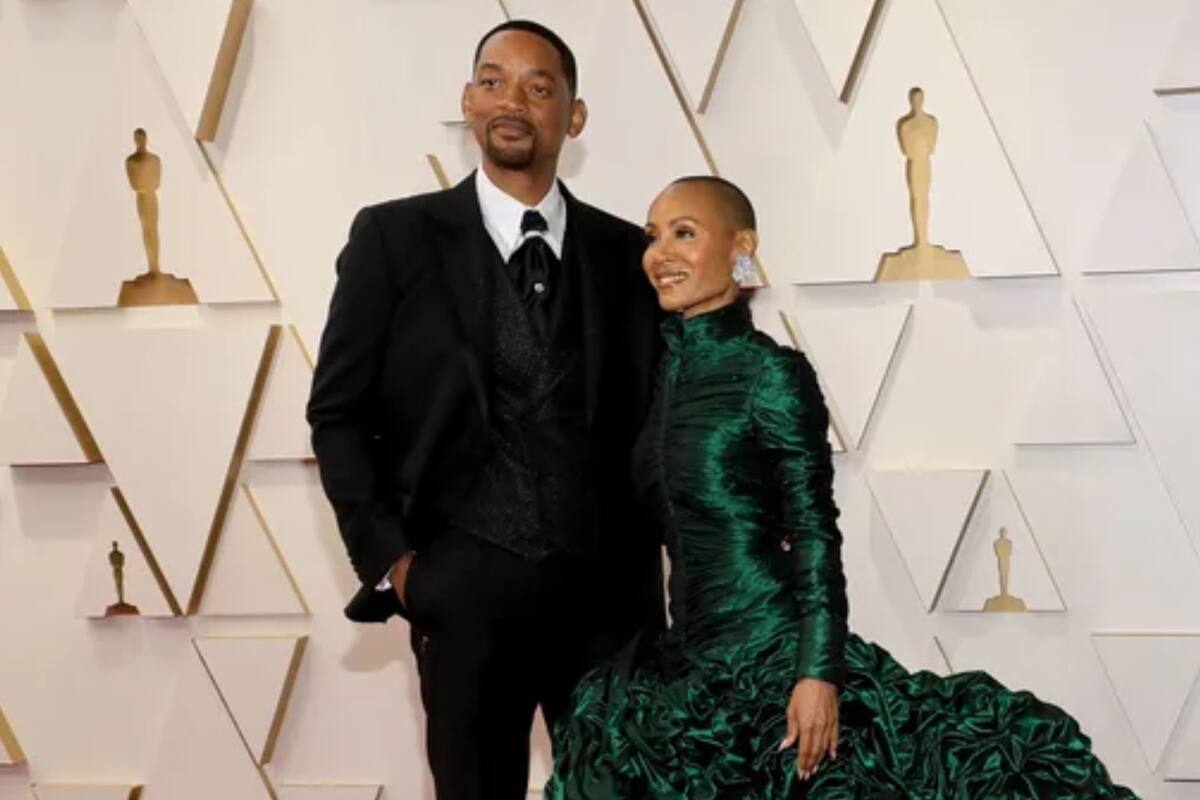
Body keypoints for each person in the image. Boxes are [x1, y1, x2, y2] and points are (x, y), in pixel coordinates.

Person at [544, 176, 1138, 799]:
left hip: (774, 659)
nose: (659, 253)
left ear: (741, 246)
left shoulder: (770, 374)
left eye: (684, 233)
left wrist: (817, 675)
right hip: (684, 664)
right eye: (652, 236)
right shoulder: (661, 376)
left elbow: (814, 534)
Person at [306, 20, 664, 800]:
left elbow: (659, 429)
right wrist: (395, 566)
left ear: (573, 117)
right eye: (494, 81)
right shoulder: (393, 237)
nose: (514, 101)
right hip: (460, 595)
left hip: (609, 608)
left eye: (540, 88)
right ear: (467, 102)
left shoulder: (628, 254)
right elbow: (336, 412)